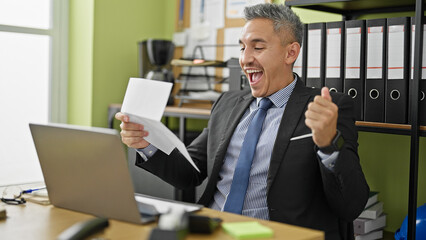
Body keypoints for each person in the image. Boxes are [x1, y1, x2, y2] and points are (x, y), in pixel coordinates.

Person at [116, 3, 369, 240]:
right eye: (242, 47)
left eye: (258, 48)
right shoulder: (227, 104)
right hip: (213, 230)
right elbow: (189, 172)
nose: (245, 59)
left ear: (290, 53)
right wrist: (146, 144)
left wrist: (328, 145)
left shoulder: (326, 108)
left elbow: (351, 205)